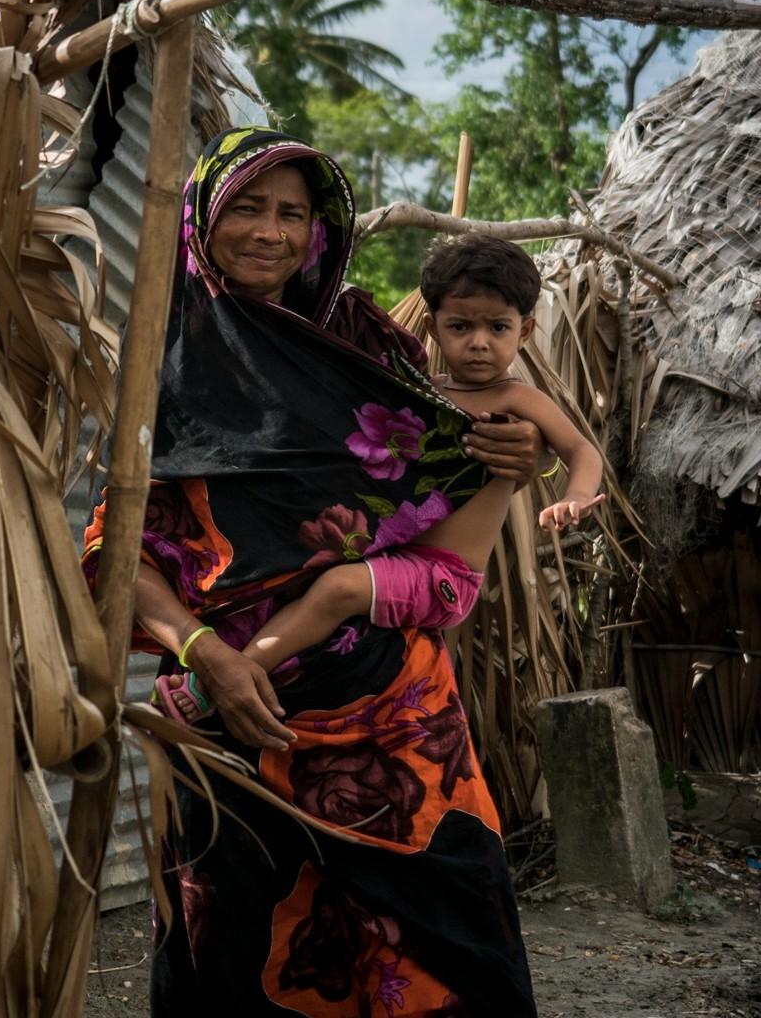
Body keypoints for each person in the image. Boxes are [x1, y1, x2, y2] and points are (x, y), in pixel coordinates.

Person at [84, 127, 547, 1018]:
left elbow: (453, 570)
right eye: (250, 207)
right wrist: (199, 653)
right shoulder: (152, 362)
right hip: (222, 739)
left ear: (325, 226)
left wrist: (496, 479)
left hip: (398, 734)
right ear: (204, 217)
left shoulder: (381, 358)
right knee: (228, 1003)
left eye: (295, 211)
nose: (273, 233)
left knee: (432, 990)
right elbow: (114, 545)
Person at [155, 232, 605, 701]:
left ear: (525, 330)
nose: (479, 343)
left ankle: (222, 682)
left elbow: (581, 450)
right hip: (391, 557)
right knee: (322, 589)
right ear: (432, 327)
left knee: (336, 589)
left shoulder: (519, 398)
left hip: (445, 575)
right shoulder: (415, 392)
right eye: (460, 327)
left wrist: (574, 497)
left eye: (497, 328)